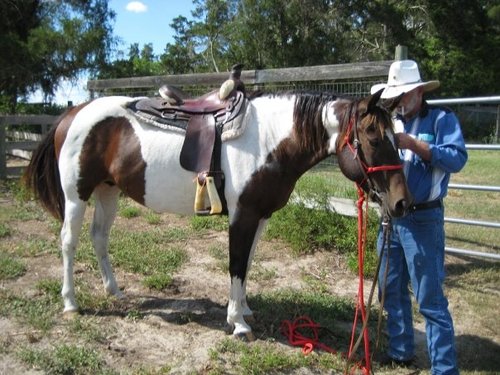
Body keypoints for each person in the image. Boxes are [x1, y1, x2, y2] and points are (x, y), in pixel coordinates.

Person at [373, 60, 468, 375]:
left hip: (423, 221)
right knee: (391, 286)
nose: (399, 101)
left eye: (402, 94)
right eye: (395, 96)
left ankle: (443, 368)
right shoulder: (392, 121)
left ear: (417, 91)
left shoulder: (442, 119)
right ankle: (400, 351)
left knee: (429, 297)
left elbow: (457, 158)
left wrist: (416, 146)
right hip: (391, 217)